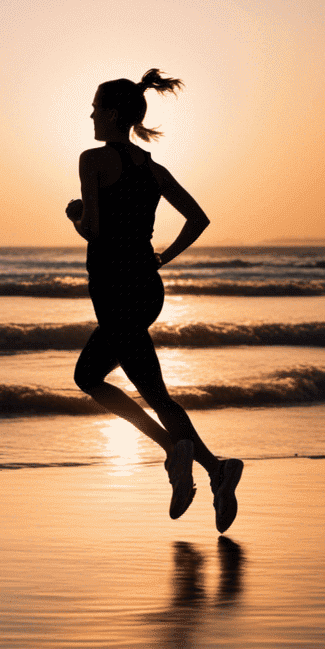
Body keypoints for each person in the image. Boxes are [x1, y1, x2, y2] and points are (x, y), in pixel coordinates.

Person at [66, 69, 242, 532]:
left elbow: (96, 232)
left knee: (117, 384)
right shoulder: (152, 168)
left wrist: (75, 216)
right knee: (107, 380)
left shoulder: (93, 161)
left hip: (113, 288)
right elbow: (198, 219)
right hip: (146, 287)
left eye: (96, 107)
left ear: (114, 114)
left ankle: (185, 456)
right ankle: (210, 467)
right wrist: (163, 257)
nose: (90, 114)